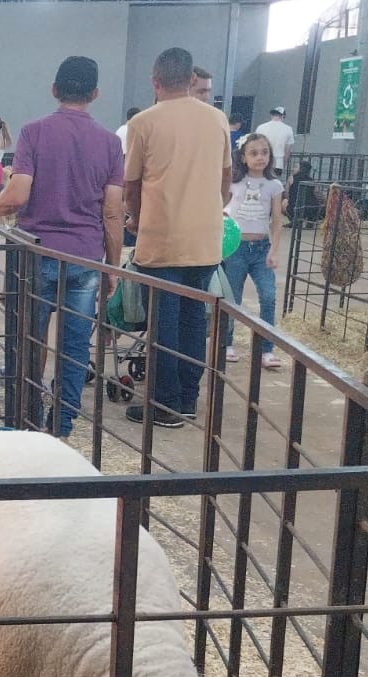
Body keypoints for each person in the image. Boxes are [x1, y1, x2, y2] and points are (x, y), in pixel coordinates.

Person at [0, 56, 124, 440]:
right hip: (84, 257)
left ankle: (27, 421)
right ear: (96, 93)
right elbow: (113, 211)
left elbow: (18, 194)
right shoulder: (110, 143)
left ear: (54, 90)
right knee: (74, 347)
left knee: (27, 342)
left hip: (35, 255)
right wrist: (113, 266)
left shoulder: (33, 132)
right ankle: (61, 427)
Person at [123, 47, 232, 428]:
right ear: (191, 80)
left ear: (155, 82)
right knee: (193, 321)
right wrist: (210, 210)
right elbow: (225, 180)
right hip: (205, 241)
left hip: (162, 239)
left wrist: (137, 219)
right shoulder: (217, 119)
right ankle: (188, 398)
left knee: (163, 324)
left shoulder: (143, 122)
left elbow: (131, 183)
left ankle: (164, 404)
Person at [220, 133, 285, 370]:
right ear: (243, 157)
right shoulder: (234, 182)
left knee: (268, 296)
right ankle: (226, 343)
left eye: (265, 152)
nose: (260, 158)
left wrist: (273, 250)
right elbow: (220, 206)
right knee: (232, 298)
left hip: (261, 248)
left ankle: (266, 349)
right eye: (254, 153)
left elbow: (276, 220)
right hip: (235, 247)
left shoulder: (274, 185)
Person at [253, 107, 296, 180]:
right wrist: (284, 163)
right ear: (283, 116)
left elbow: (255, 145)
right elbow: (287, 150)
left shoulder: (261, 127)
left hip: (261, 160)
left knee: (259, 182)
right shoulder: (288, 129)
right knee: (274, 183)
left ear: (272, 115)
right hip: (278, 162)